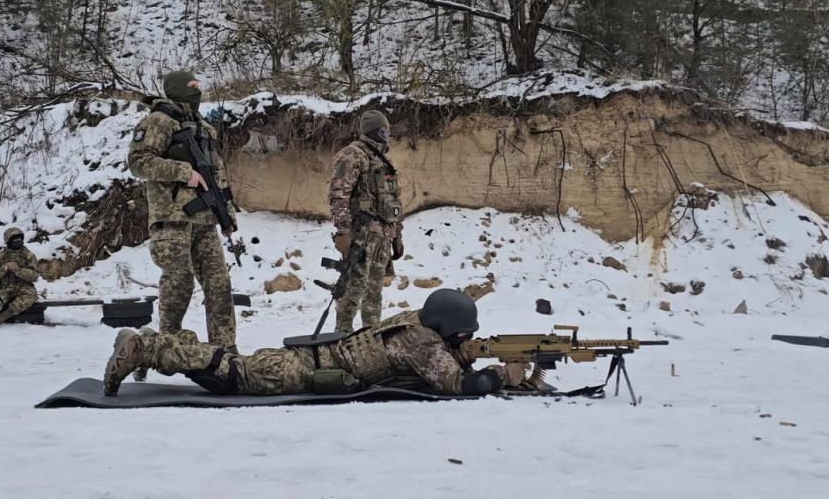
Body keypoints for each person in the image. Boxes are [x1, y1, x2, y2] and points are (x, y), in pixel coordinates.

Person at [103, 288, 531, 397]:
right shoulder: (423, 345)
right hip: (305, 369)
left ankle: (159, 343)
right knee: (230, 374)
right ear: (445, 328)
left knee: (234, 363)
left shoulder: (416, 323)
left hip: (314, 356)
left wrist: (469, 354)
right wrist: (500, 375)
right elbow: (456, 384)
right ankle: (147, 349)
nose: (463, 341)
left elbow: (444, 358)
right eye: (461, 335)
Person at [128, 70, 238, 353]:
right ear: (177, 89)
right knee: (179, 282)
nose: (197, 90)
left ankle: (225, 352)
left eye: (198, 86)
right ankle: (164, 348)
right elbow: (138, 162)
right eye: (192, 86)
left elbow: (218, 176)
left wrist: (226, 215)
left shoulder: (205, 127)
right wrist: (181, 171)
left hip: (205, 220)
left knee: (219, 285)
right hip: (172, 219)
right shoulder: (158, 121)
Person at [328, 109, 404, 333]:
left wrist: (397, 235)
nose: (388, 133)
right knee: (353, 288)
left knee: (374, 290)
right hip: (361, 234)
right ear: (376, 131)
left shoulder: (383, 160)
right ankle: (341, 336)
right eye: (385, 129)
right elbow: (338, 194)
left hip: (382, 235)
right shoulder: (352, 155)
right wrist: (343, 231)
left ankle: (372, 336)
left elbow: (393, 199)